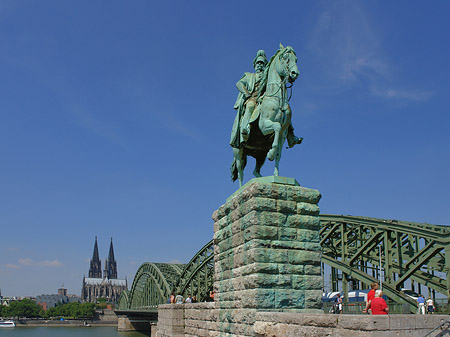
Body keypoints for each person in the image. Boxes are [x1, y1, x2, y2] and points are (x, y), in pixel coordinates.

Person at [230, 50, 268, 148]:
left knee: (282, 108)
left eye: (262, 63)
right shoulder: (249, 76)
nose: (260, 65)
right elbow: (239, 83)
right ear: (255, 65)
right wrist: (246, 93)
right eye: (258, 63)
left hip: (264, 99)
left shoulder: (268, 77)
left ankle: (290, 135)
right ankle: (244, 129)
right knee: (250, 106)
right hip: (252, 98)